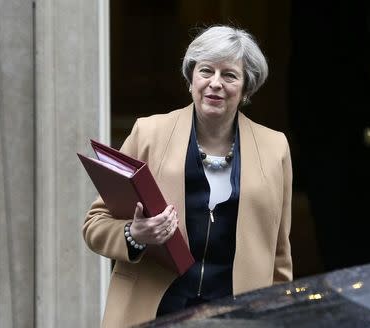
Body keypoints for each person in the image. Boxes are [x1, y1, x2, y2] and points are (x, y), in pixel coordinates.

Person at [83, 25, 293, 328]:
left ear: (247, 88)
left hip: (240, 316)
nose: (215, 84)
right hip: (154, 312)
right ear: (191, 79)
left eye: (230, 75)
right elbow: (95, 224)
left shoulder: (275, 148)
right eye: (206, 71)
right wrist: (135, 235)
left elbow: (279, 255)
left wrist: (281, 314)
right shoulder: (149, 133)